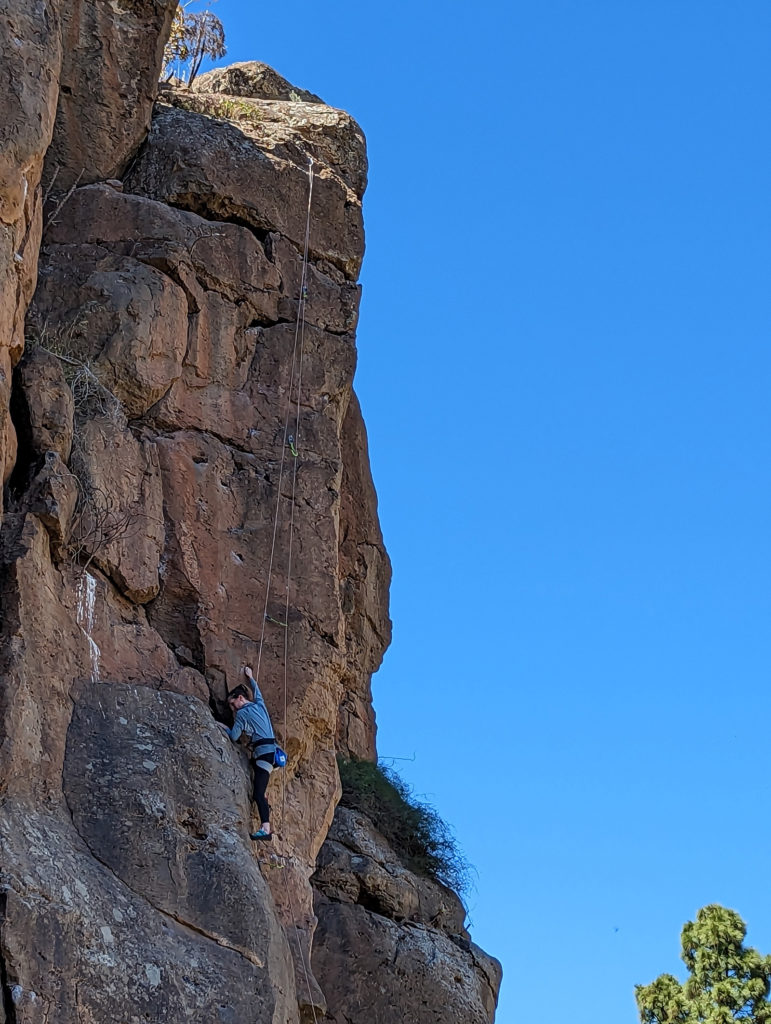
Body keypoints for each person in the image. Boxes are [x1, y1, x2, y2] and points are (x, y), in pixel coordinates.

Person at [219, 666, 276, 841]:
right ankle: (264, 797)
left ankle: (266, 829)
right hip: (270, 752)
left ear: (240, 698)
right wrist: (250, 677)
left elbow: (235, 737)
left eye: (232, 703)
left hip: (264, 754)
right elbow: (257, 691)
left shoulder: (242, 713)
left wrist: (225, 728)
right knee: (257, 779)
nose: (232, 708)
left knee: (258, 794)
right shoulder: (259, 704)